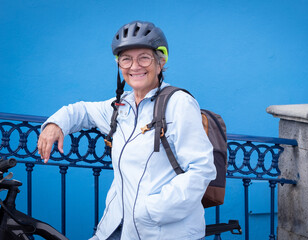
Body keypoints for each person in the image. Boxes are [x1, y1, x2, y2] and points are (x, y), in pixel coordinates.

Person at [37, 20, 216, 240]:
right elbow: (81, 110)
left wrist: (150, 210)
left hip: (162, 231)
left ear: (160, 63)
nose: (135, 66)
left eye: (144, 57)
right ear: (119, 66)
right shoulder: (121, 106)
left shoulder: (179, 103)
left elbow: (201, 169)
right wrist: (55, 125)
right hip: (116, 228)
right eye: (126, 59)